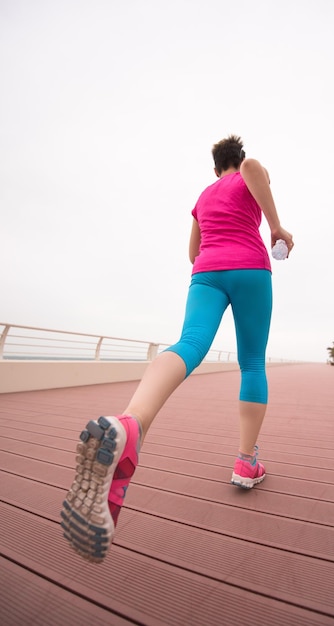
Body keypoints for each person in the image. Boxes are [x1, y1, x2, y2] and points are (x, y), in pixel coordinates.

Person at [61, 135, 294, 562]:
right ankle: (246, 462)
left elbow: (193, 252)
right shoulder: (249, 168)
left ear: (213, 168)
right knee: (252, 361)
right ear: (237, 161)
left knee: (189, 342)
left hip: (207, 273)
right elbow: (258, 172)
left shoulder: (203, 196)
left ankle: (132, 423)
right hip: (249, 268)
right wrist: (276, 227)